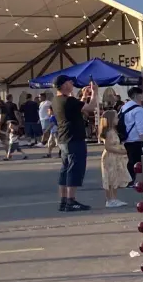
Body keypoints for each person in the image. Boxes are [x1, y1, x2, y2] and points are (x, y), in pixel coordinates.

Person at [51, 75, 91, 212]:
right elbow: (90, 108)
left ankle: (63, 200)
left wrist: (84, 96)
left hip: (64, 138)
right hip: (74, 138)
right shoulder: (68, 100)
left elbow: (77, 108)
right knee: (74, 170)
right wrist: (95, 92)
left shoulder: (56, 100)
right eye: (69, 81)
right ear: (63, 85)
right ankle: (71, 201)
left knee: (65, 169)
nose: (72, 83)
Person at [95, 106, 128, 208]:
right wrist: (119, 151)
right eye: (116, 118)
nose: (118, 119)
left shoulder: (113, 131)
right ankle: (110, 199)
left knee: (115, 177)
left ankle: (113, 198)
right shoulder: (108, 132)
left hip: (115, 156)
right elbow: (108, 147)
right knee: (110, 178)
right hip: (110, 157)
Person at [118, 86, 143, 186]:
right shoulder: (138, 109)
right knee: (136, 162)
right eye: (141, 95)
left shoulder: (124, 106)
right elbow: (140, 126)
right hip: (135, 139)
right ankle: (132, 181)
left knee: (129, 161)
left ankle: (127, 180)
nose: (142, 97)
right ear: (136, 95)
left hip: (125, 137)